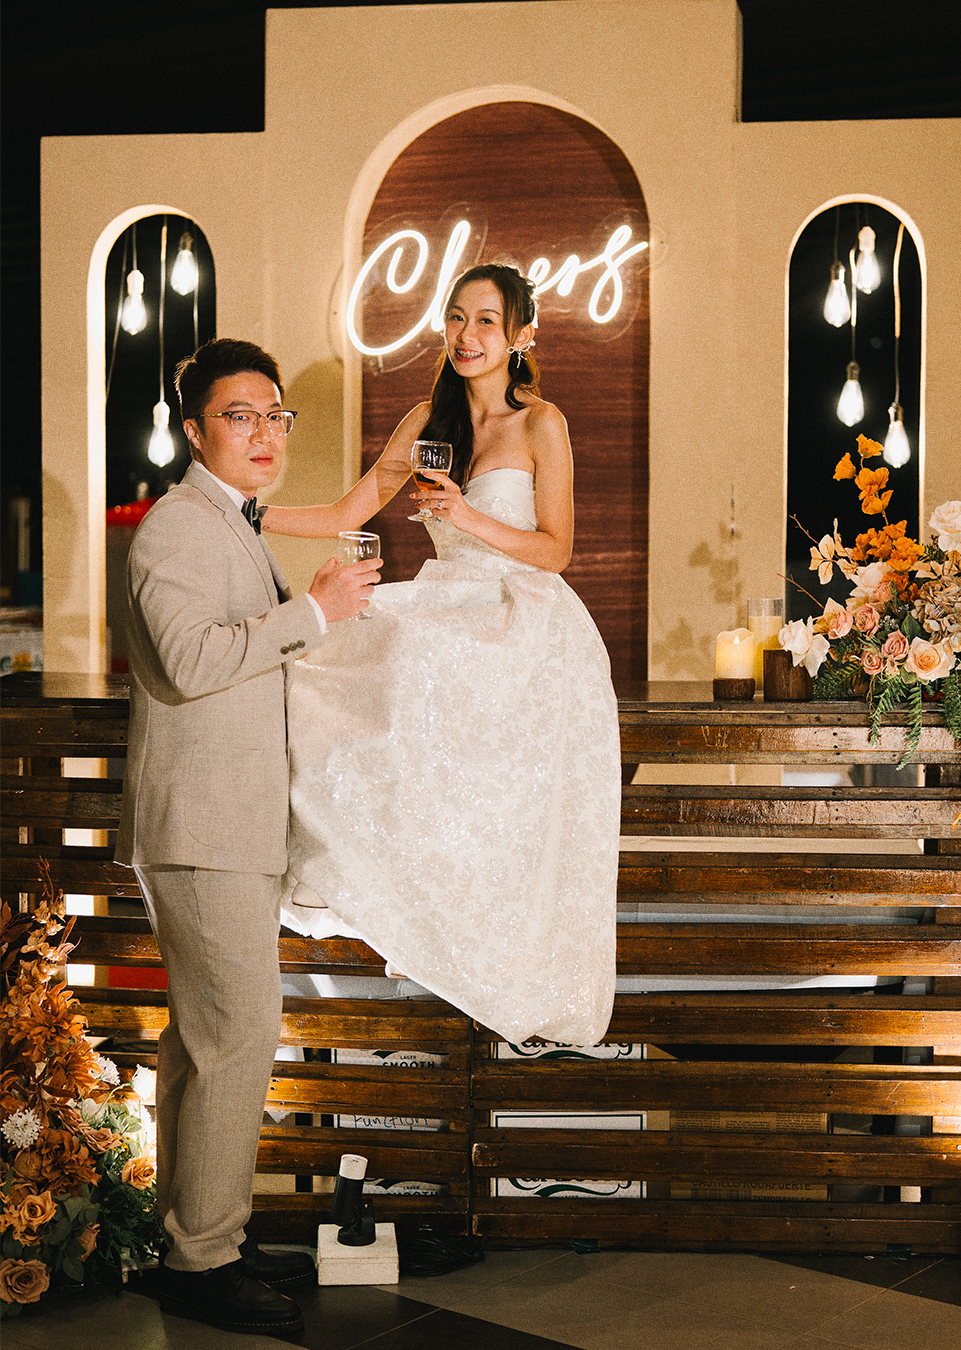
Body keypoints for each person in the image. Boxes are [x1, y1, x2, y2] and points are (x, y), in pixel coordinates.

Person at [264, 263, 620, 1045]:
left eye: (486, 320)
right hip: (446, 599)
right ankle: (340, 872)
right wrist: (248, 513)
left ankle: (448, 922)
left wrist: (466, 515)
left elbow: (556, 550)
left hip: (521, 612)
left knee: (414, 661)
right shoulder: (430, 419)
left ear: (522, 334)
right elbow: (350, 508)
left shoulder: (542, 423)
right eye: (457, 317)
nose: (467, 334)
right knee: (333, 659)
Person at [116, 338, 381, 1335]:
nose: (265, 432)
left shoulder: (229, 521)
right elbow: (191, 662)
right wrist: (313, 609)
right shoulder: (178, 526)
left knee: (203, 1044)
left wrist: (325, 622)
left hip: (227, 821)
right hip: (202, 823)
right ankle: (203, 1260)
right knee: (237, 1037)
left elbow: (245, 659)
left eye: (276, 415)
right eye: (241, 415)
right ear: (195, 431)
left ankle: (193, 1235)